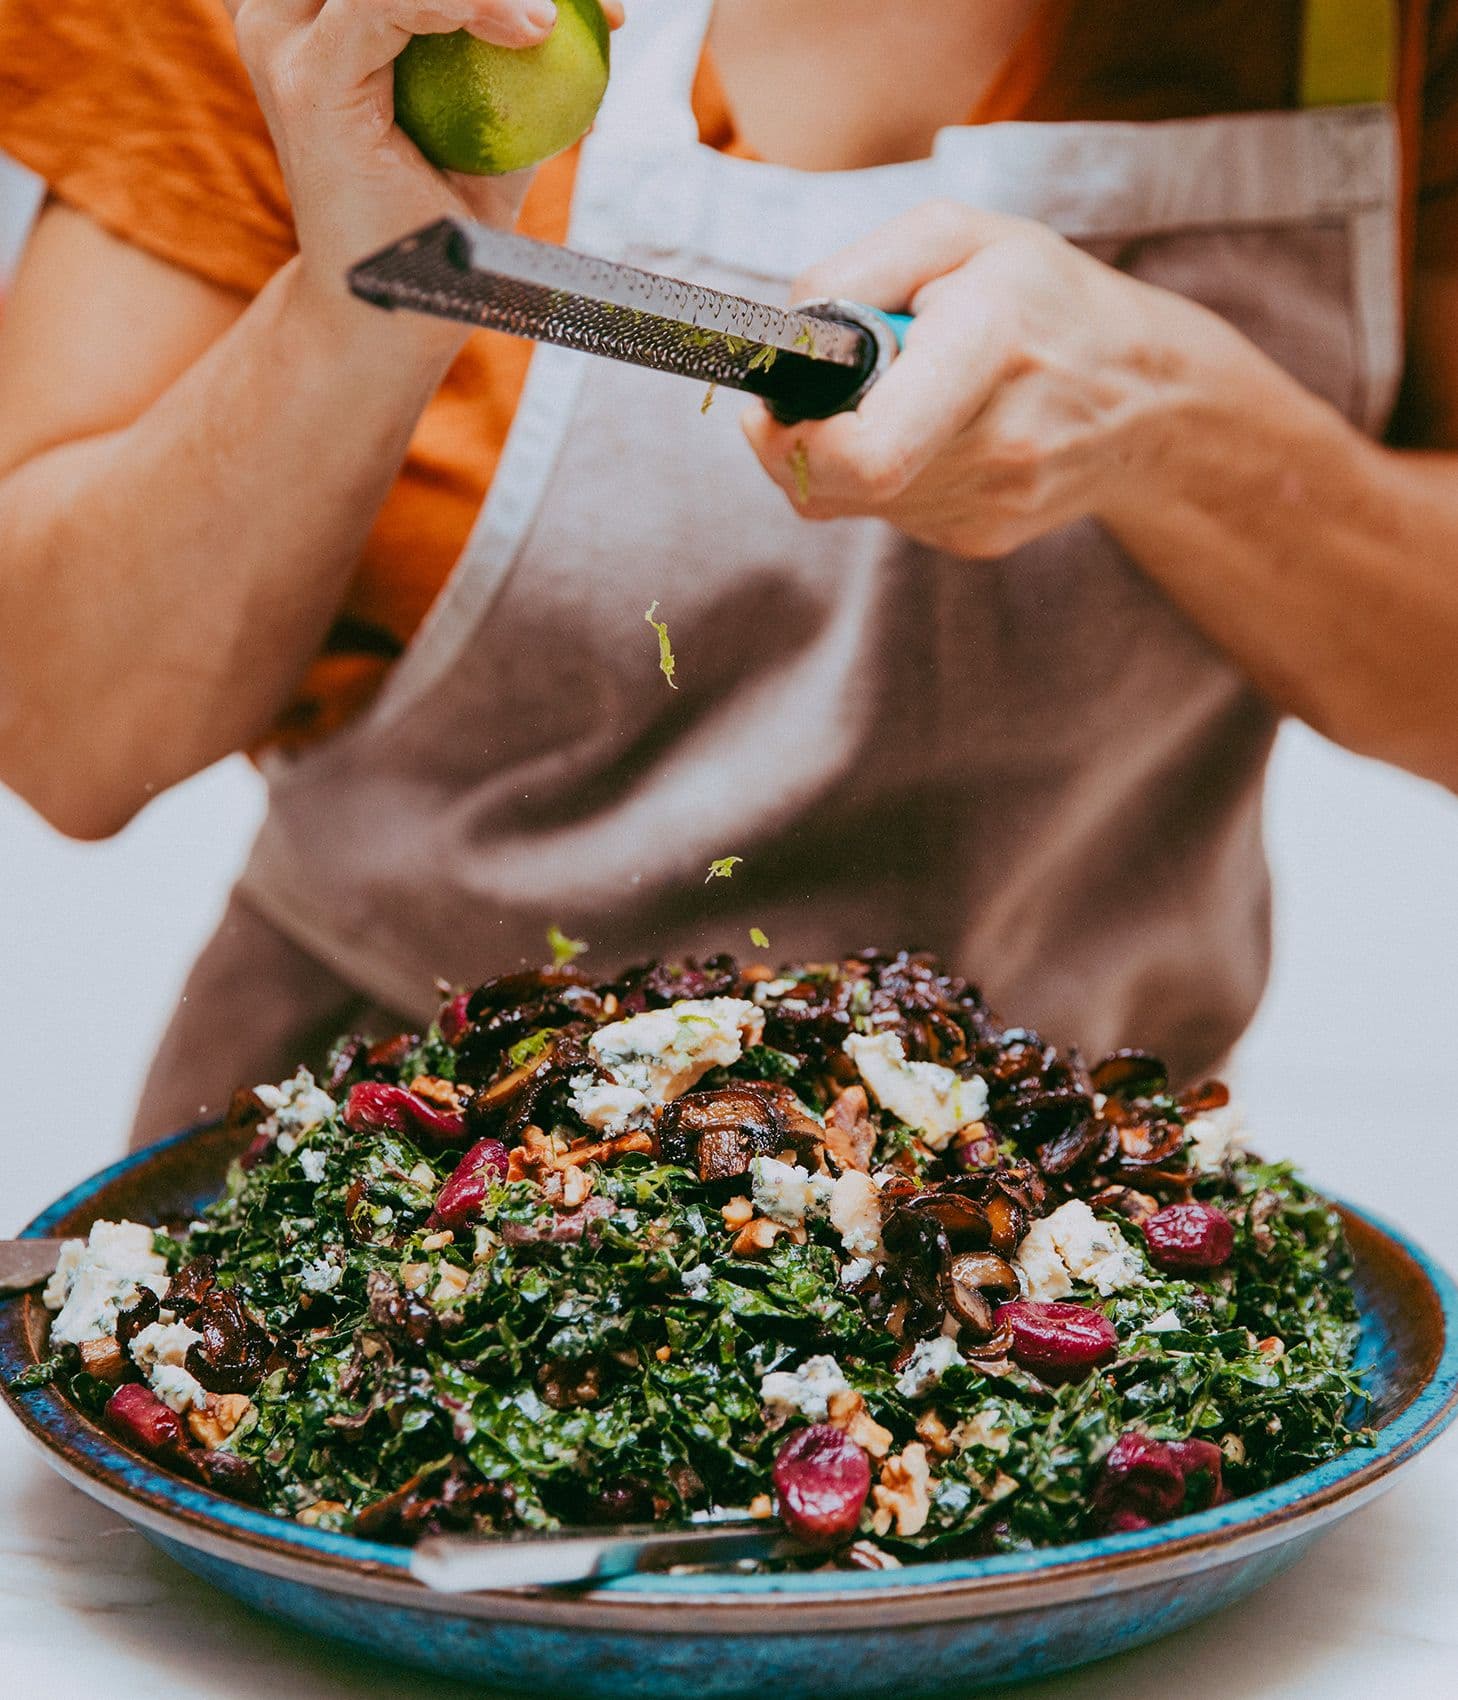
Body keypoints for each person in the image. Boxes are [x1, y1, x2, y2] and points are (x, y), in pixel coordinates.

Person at [0, 0, 1456, 1145]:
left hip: (1059, 1217)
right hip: (388, 1220)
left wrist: (1176, 424)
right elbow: (63, 729)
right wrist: (365, 305)